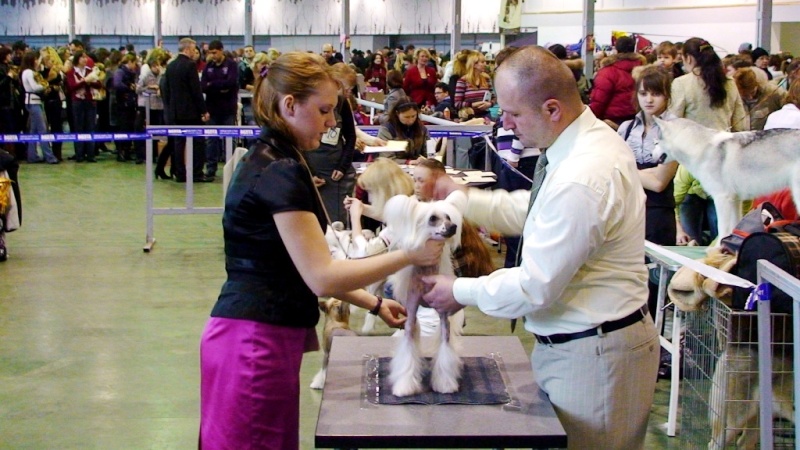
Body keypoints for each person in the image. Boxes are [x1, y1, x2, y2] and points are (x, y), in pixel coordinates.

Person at [198, 51, 443, 449]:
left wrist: (375, 304)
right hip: (255, 345)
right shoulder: (281, 169)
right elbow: (321, 275)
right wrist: (410, 255)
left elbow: (299, 266)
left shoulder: (272, 158)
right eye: (325, 110)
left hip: (251, 336)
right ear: (289, 105)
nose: (332, 122)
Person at [422, 45, 659, 450]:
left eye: (513, 113)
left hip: (594, 355)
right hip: (583, 346)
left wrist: (458, 291)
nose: (506, 123)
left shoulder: (582, 176)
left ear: (552, 109)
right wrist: (465, 199)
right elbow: (540, 214)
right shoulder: (586, 143)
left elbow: (535, 286)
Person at [617, 66, 678, 320]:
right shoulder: (626, 128)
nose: (649, 100)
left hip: (658, 214)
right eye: (644, 93)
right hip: (629, 211)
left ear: (667, 96)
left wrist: (625, 167)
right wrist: (645, 173)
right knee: (626, 278)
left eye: (656, 94)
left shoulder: (676, 130)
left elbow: (660, 182)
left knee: (655, 283)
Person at [305, 63, 357, 224]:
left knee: (337, 221)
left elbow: (350, 137)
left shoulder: (343, 104)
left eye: (351, 88)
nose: (349, 92)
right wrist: (309, 172)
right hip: (312, 168)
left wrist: (342, 166)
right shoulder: (310, 104)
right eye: (346, 87)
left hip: (335, 171)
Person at [161, 38, 211, 183]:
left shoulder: (170, 66)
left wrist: (170, 108)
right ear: (188, 49)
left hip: (175, 111)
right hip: (191, 112)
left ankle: (180, 173)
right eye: (194, 49)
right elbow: (196, 91)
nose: (195, 53)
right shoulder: (190, 66)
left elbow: (166, 89)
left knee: (178, 143)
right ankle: (196, 173)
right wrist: (204, 110)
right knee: (197, 142)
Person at [201, 40, 239, 179]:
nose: (213, 55)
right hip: (212, 109)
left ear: (221, 50)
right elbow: (203, 86)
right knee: (211, 140)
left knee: (229, 139)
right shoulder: (208, 66)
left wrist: (213, 85)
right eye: (210, 53)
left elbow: (230, 83)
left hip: (228, 109)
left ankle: (232, 169)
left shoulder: (231, 65)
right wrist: (219, 86)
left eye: (215, 52)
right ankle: (211, 170)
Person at [589, 36, 644, 126]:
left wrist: (591, 119)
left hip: (612, 121)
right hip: (637, 119)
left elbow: (599, 100)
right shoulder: (643, 69)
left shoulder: (608, 71)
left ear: (616, 49)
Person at [20, 51, 58, 164]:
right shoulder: (29, 72)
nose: (38, 61)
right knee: (43, 130)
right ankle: (49, 156)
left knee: (33, 131)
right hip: (33, 103)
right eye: (36, 59)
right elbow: (34, 87)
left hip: (34, 102)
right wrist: (45, 84)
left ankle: (32, 156)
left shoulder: (28, 72)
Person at [65, 50, 102, 163]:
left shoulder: (90, 71)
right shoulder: (71, 73)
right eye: (82, 58)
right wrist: (85, 81)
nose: (85, 60)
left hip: (90, 101)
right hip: (77, 102)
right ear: (77, 60)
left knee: (90, 127)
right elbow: (72, 87)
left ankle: (90, 154)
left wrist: (90, 82)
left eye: (86, 57)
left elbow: (99, 84)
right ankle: (79, 154)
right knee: (79, 127)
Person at [376, 95, 430, 162]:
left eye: (413, 116)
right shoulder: (387, 130)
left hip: (418, 167)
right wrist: (408, 162)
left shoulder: (422, 129)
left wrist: (424, 160)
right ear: (397, 114)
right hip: (393, 168)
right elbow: (386, 158)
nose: (411, 120)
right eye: (406, 117)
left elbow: (427, 154)